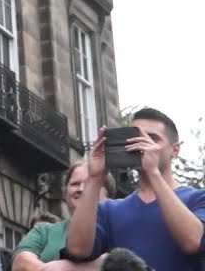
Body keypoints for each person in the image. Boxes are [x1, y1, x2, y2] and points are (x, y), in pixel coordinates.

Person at [65, 107, 205, 271]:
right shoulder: (110, 210)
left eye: (152, 139)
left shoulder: (197, 199)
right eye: (135, 138)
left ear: (175, 150)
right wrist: (95, 178)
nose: (141, 145)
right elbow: (77, 250)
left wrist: (153, 173)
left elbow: (194, 241)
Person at [12, 161, 112, 271]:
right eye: (75, 184)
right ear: (65, 193)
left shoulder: (118, 233)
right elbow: (21, 262)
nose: (81, 189)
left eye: (89, 184)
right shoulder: (44, 231)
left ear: (108, 195)